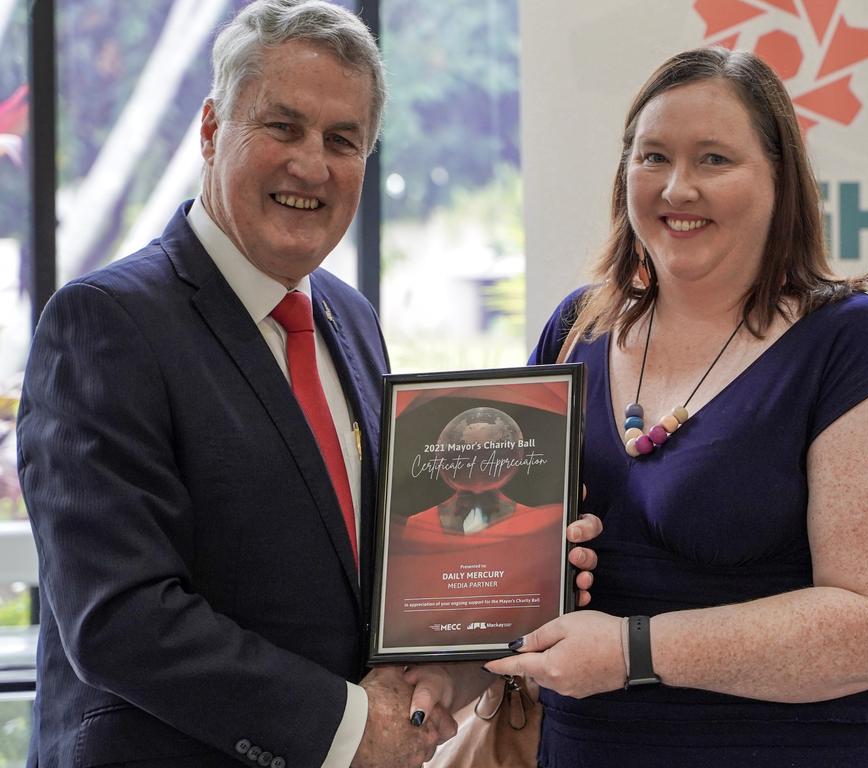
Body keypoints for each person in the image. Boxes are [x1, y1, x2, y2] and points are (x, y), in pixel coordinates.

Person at [16, 2, 599, 767]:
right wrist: (351, 727)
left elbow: (373, 562)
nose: (312, 165)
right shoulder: (104, 325)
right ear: (212, 128)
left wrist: (516, 577)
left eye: (342, 140)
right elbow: (121, 619)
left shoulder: (349, 319)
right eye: (282, 127)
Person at [485, 47, 868, 767]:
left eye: (714, 160)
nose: (678, 188)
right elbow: (500, 548)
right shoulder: (577, 329)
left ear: (780, 181)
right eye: (653, 157)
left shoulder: (857, 344)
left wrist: (630, 650)